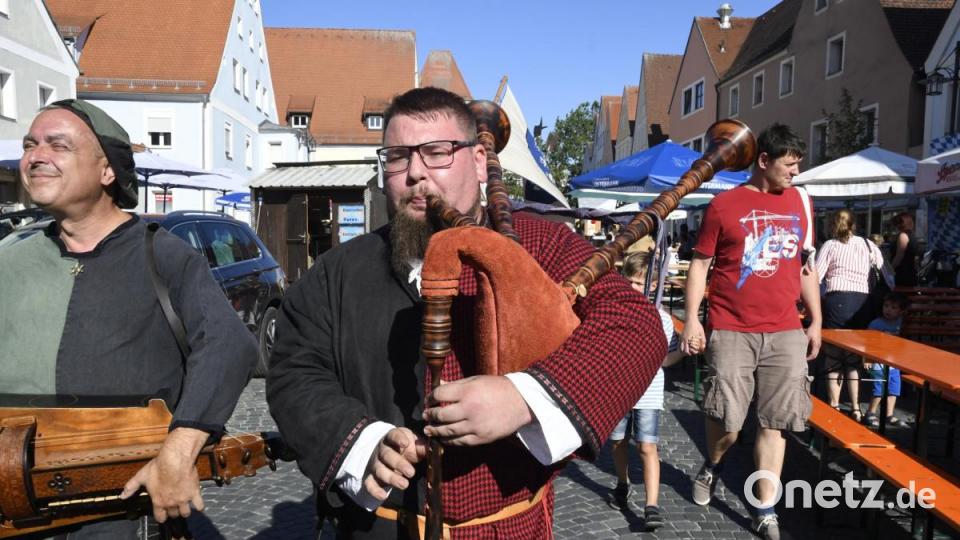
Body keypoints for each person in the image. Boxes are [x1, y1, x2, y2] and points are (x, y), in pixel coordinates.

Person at [266, 87, 667, 539]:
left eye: (436, 152)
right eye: (397, 157)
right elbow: (295, 370)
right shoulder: (339, 270)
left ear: (479, 161)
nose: (415, 173)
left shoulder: (540, 246)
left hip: (509, 529)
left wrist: (524, 398)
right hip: (375, 527)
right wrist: (358, 443)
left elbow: (635, 323)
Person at [0, 99, 257, 538]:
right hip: (13, 502)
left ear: (107, 171)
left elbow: (229, 346)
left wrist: (179, 450)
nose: (36, 156)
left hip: (124, 508)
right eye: (30, 145)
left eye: (57, 145)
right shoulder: (9, 259)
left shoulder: (163, 254)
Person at [679, 123, 821, 540]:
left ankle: (765, 507)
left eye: (798, 166)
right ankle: (714, 464)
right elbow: (700, 265)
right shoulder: (724, 205)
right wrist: (691, 318)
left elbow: (804, 265)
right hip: (731, 328)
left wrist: (815, 319)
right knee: (727, 420)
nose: (794, 174)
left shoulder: (800, 201)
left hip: (784, 330)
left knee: (775, 422)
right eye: (789, 165)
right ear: (764, 161)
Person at [607, 250, 684, 530]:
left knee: (647, 446)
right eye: (627, 282)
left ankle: (651, 505)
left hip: (648, 391)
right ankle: (622, 483)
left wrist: (683, 352)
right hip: (618, 389)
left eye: (638, 284)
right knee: (617, 441)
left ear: (652, 286)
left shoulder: (661, 318)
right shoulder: (614, 311)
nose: (632, 288)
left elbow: (668, 356)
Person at [815, 209, 887, 422]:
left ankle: (835, 405)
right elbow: (883, 271)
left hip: (838, 300)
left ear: (832, 225)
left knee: (834, 357)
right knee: (853, 357)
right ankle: (856, 407)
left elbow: (817, 275)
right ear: (855, 224)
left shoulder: (830, 245)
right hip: (863, 303)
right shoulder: (868, 245)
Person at [863, 292, 908, 428]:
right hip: (878, 361)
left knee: (894, 389)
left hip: (894, 362)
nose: (888, 309)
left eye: (893, 307)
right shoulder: (875, 324)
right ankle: (870, 412)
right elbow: (867, 343)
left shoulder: (901, 324)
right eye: (886, 306)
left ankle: (889, 414)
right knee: (879, 388)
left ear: (901, 311)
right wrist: (867, 359)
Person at [891, 212, 918, 287]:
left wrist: (889, 269)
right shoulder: (913, 235)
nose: (896, 226)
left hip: (901, 273)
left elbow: (899, 256)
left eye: (896, 223)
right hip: (910, 272)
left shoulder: (903, 235)